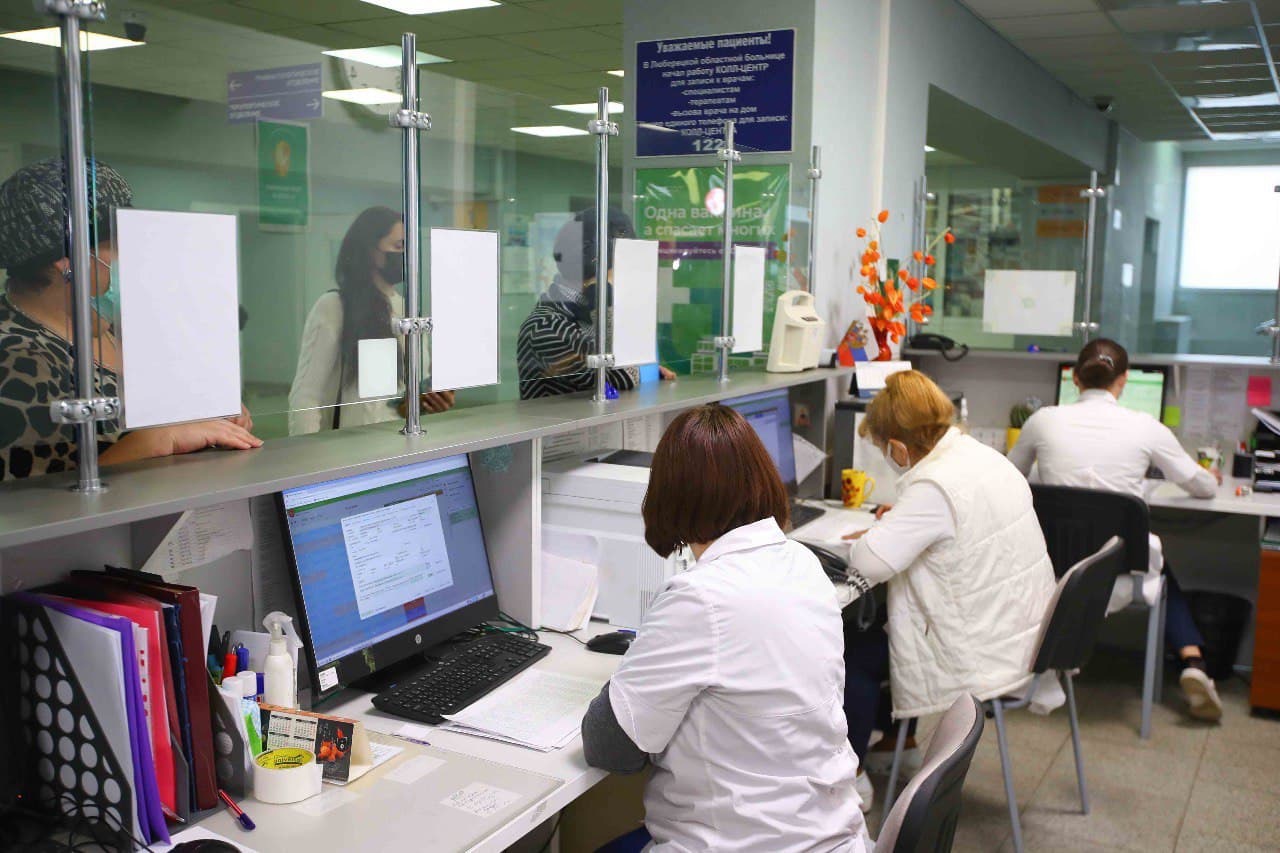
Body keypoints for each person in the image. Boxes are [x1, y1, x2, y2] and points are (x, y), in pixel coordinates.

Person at [581, 404, 870, 852]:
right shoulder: (802, 561)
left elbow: (609, 748)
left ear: (669, 496)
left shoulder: (700, 597)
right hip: (830, 835)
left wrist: (637, 666)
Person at [840, 370, 1056, 808]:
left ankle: (851, 777)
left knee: (853, 650)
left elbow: (867, 562)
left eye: (882, 449)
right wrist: (903, 519)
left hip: (985, 647)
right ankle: (898, 745)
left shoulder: (935, 486)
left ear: (898, 447)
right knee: (892, 621)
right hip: (1022, 628)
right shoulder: (979, 456)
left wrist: (887, 528)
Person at [0, 158, 261, 481]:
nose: (136, 258)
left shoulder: (125, 329)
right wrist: (158, 440)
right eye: (120, 246)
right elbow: (26, 497)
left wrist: (216, 415)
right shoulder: (16, 358)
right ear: (68, 263)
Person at [1007, 338, 1224, 721]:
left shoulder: (1042, 421)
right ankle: (1194, 662)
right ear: (1123, 380)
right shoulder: (1145, 426)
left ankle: (1192, 661)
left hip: (1053, 568)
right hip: (1119, 574)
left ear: (1075, 378)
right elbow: (1201, 487)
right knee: (1158, 565)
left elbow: (1008, 478)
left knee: (1152, 559)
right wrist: (1213, 476)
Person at [288, 206, 454, 434]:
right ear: (369, 250)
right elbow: (306, 397)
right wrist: (309, 451)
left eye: (409, 246)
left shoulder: (408, 311)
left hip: (403, 443)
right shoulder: (335, 307)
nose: (407, 255)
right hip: (351, 447)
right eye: (399, 246)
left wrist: (428, 401)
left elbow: (398, 397)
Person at [517, 207, 673, 400]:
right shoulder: (547, 327)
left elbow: (618, 371)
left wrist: (648, 372)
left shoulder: (587, 312)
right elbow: (623, 379)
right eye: (622, 263)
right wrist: (605, 297)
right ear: (599, 268)